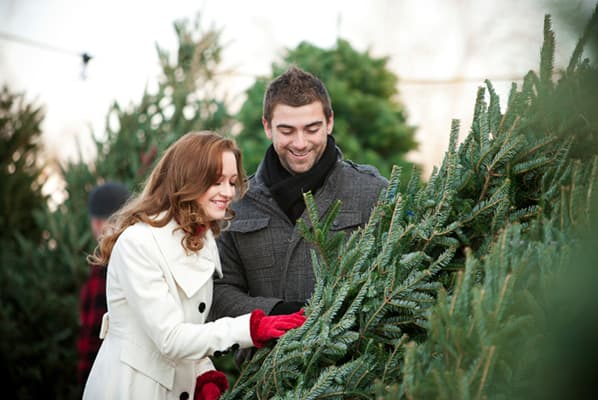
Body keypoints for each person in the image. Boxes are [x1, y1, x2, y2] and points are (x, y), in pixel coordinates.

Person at [82, 131, 306, 400]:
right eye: (217, 181)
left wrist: (203, 373)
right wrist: (251, 328)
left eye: (232, 181)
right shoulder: (139, 242)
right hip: (132, 388)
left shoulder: (203, 239)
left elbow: (192, 324)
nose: (228, 192)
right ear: (188, 179)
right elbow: (170, 338)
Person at [210, 66, 387, 321]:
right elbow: (219, 293)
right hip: (268, 360)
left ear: (329, 122)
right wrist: (278, 314)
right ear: (267, 127)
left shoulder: (372, 191)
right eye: (287, 131)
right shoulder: (236, 204)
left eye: (312, 129)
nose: (300, 143)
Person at [78, 181, 131, 387]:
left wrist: (87, 378)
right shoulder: (132, 255)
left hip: (105, 375)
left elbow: (95, 331)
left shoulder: (108, 264)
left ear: (98, 223)